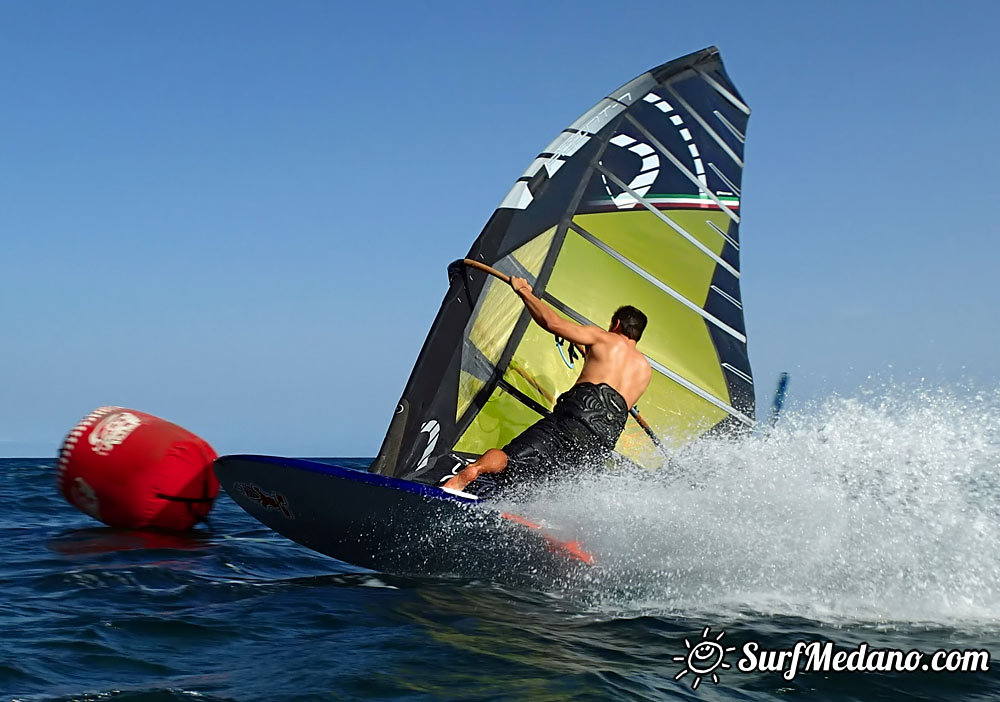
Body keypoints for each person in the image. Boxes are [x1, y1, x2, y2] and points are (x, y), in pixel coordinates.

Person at [442, 275, 652, 492]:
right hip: (602, 441)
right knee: (559, 487)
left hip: (572, 421)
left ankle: (472, 472)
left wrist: (523, 291)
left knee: (511, 460)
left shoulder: (602, 338)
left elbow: (552, 323)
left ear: (616, 324)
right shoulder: (645, 370)